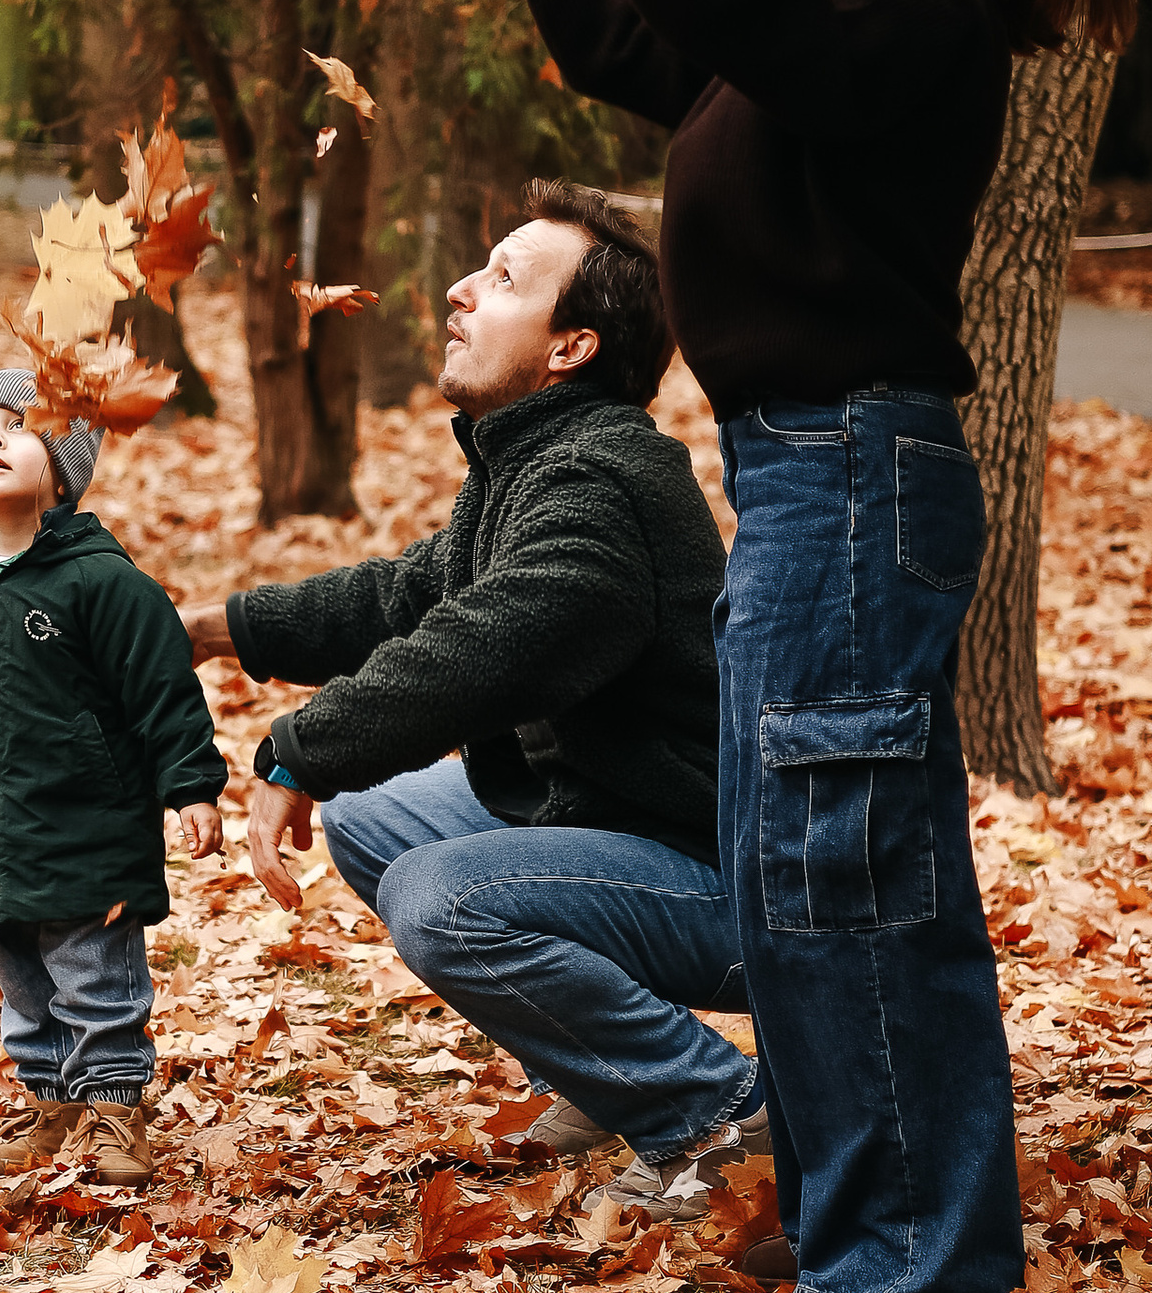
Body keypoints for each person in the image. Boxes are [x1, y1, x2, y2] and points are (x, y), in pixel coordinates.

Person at [395, 0, 1135, 1293]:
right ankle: (859, 1221)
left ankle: (908, 1260)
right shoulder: (827, 44)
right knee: (813, 868)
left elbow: (733, 0)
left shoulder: (922, 29)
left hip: (854, 476)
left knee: (841, 869)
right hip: (809, 484)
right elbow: (619, 39)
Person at [183, 183, 762, 1206]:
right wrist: (210, 630)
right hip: (615, 827)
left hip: (715, 882)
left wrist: (301, 751)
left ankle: (718, 1114)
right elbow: (405, 597)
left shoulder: (599, 484)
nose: (458, 290)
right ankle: (598, 1078)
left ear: (571, 347)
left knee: (439, 897)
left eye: (502, 279)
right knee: (374, 821)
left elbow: (479, 649)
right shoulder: (535, 457)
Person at [0, 371, 226, 1188]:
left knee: (93, 971)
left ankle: (114, 1106)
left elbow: (162, 689)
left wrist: (190, 785)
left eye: (17, 427)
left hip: (90, 825)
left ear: (64, 470)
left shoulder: (101, 581)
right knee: (24, 980)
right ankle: (54, 1104)